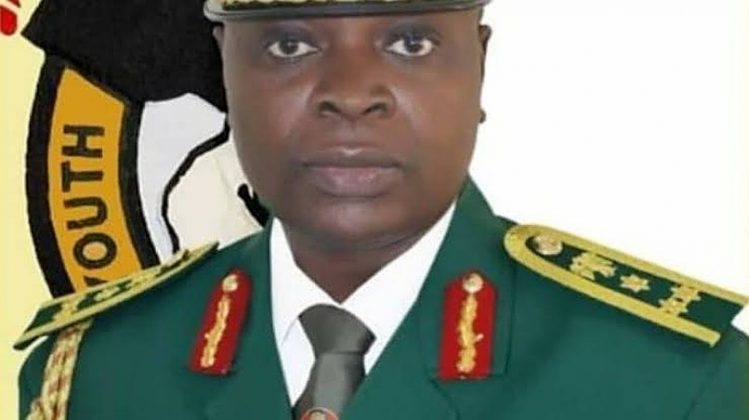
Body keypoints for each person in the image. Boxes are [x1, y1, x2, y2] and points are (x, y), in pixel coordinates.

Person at [15, 0, 748, 418]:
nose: (350, 93)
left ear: (479, 64)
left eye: (409, 41)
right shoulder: (96, 372)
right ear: (225, 65)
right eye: (289, 45)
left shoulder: (672, 385)